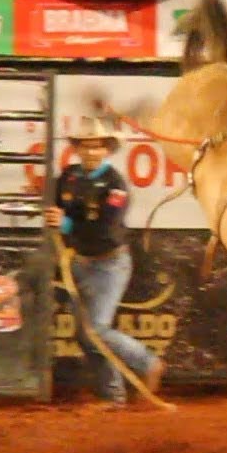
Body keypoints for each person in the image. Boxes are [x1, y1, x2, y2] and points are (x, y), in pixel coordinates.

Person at [44, 117, 164, 408]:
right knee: (85, 336)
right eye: (85, 146)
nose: (90, 152)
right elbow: (57, 209)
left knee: (96, 330)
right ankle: (113, 396)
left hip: (109, 265)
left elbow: (106, 230)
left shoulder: (115, 186)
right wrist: (55, 218)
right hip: (79, 263)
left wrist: (67, 225)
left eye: (96, 146)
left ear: (107, 149)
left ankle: (148, 362)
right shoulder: (69, 178)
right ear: (77, 149)